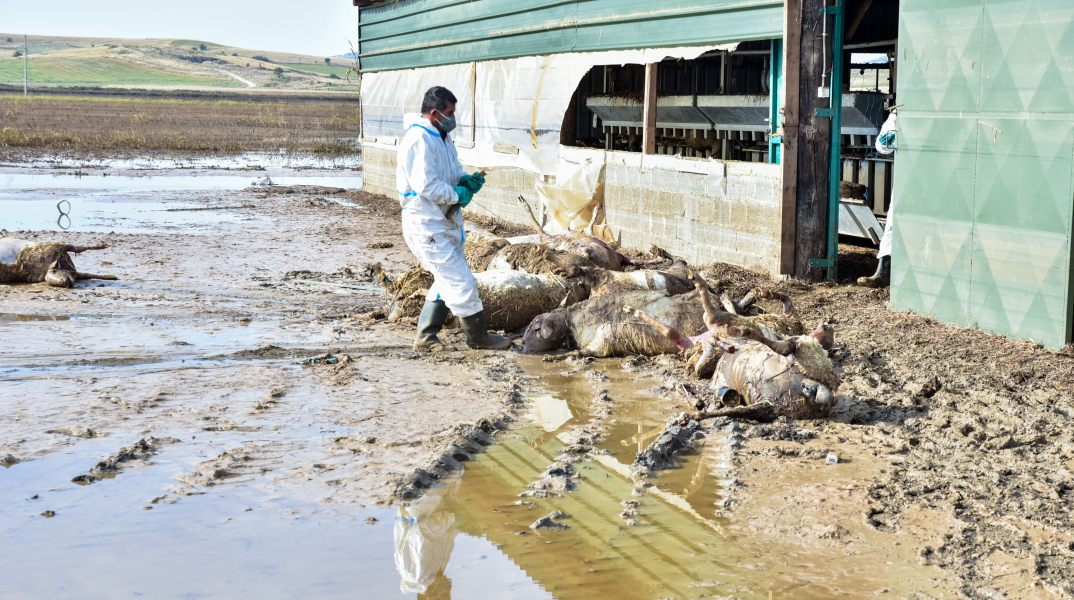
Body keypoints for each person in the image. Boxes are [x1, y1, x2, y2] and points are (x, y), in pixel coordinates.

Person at [397, 86, 512, 351]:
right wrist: (456, 194)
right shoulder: (419, 139)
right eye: (450, 113)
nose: (453, 118)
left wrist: (464, 180)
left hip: (443, 222)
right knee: (461, 281)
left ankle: (426, 337)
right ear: (435, 113)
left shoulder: (441, 135)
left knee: (446, 278)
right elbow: (426, 186)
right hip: (426, 224)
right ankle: (478, 337)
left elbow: (451, 171)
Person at [858, 108, 897, 288]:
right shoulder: (897, 115)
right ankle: (884, 272)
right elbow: (882, 146)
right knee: (893, 223)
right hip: (910, 177)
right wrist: (895, 133)